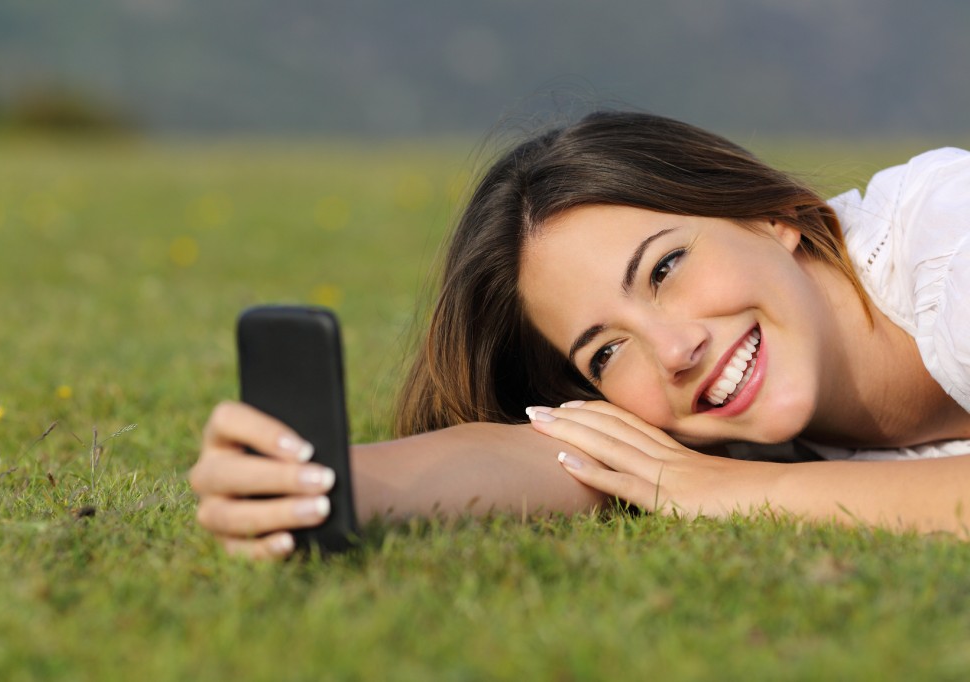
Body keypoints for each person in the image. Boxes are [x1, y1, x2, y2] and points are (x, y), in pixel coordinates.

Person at [189, 111, 970, 559]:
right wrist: (319, 480)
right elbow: (555, 452)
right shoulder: (707, 403)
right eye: (606, 350)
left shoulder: (949, 241)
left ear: (776, 216)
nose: (672, 351)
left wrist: (740, 492)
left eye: (665, 269)